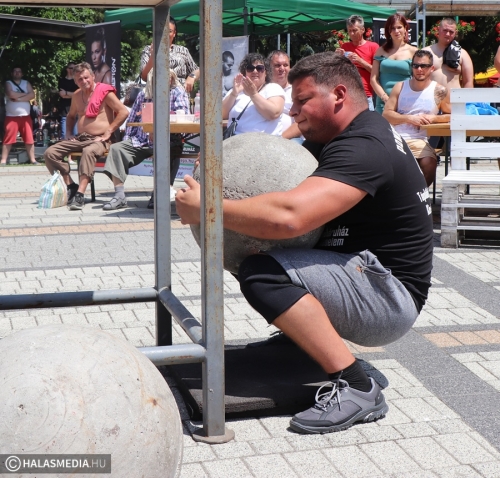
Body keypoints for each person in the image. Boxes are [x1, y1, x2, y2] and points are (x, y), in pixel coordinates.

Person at [176, 52, 433, 435]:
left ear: (339, 95)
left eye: (302, 100)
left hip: (389, 298)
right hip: (364, 272)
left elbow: (290, 216)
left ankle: (358, 387)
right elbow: (275, 172)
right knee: (262, 246)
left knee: (263, 272)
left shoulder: (365, 144)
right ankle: (301, 342)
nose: (293, 110)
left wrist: (208, 208)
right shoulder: (343, 136)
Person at [43, 62, 129, 210]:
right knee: (50, 153)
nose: (83, 81)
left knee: (88, 151)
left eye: (86, 77)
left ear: (93, 76)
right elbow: (70, 116)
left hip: (101, 139)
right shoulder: (77, 95)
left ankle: (80, 195)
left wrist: (108, 131)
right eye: (80, 79)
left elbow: (124, 112)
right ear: (75, 81)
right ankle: (71, 186)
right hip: (80, 137)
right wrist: (68, 133)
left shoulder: (105, 92)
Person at [102, 71, 190, 210]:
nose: (165, 80)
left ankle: (159, 194)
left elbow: (182, 117)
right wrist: (128, 140)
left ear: (172, 78)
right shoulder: (144, 94)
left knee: (166, 152)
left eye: (168, 77)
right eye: (160, 77)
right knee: (116, 149)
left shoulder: (177, 92)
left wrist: (158, 129)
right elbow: (132, 120)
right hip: (141, 140)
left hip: (167, 140)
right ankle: (119, 196)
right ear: (152, 79)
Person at [383, 50, 451, 186]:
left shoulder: (439, 90)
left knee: (429, 163)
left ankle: (419, 195)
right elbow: (386, 114)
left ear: (432, 68)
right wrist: (409, 118)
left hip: (419, 140)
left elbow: (451, 115)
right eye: (416, 66)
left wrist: (433, 118)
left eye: (424, 66)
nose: (419, 69)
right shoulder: (400, 86)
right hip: (395, 137)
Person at [222, 53, 285, 136]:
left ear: (266, 73)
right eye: (250, 68)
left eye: (260, 68)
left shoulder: (273, 88)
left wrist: (254, 94)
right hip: (235, 140)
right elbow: (221, 115)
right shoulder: (236, 90)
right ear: (245, 72)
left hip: (264, 141)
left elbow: (274, 113)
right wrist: (234, 93)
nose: (255, 71)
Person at [370, 14, 417, 113]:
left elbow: (418, 79)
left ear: (405, 28)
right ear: (388, 31)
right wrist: (385, 98)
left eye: (399, 27)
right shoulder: (380, 51)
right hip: (382, 104)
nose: (396, 31)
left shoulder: (414, 51)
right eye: (393, 28)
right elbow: (373, 79)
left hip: (405, 103)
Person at [141, 17, 200, 94]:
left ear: (174, 33)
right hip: (157, 95)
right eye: (162, 31)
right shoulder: (148, 49)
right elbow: (144, 77)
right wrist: (153, 56)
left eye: (169, 31)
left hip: (180, 97)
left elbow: (197, 70)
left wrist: (191, 77)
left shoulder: (183, 51)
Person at [336, 15, 379, 111]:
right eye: (349, 31)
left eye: (354, 30)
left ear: (362, 30)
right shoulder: (345, 46)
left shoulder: (373, 46)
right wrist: (337, 57)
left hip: (365, 94)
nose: (351, 33)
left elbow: (377, 72)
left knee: (367, 119)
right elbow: (338, 70)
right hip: (348, 94)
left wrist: (360, 61)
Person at [0, 66, 39, 166]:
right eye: (15, 71)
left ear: (22, 74)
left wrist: (19, 98)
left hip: (25, 116)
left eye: (19, 71)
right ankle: (3, 160)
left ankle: (33, 160)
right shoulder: (8, 83)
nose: (17, 73)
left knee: (29, 139)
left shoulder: (26, 83)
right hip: (11, 117)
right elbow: (10, 94)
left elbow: (32, 95)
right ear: (12, 73)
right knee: (8, 138)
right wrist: (26, 94)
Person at [424, 18, 474, 89]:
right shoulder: (426, 52)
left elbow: (468, 82)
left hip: (454, 95)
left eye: (451, 32)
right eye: (445, 30)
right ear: (438, 29)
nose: (447, 34)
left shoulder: (463, 54)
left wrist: (466, 96)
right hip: (431, 95)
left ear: (455, 33)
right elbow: (417, 78)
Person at [58, 62, 79, 139]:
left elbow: (78, 95)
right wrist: (72, 95)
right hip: (65, 111)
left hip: (76, 112)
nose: (74, 70)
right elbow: (62, 95)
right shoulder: (61, 80)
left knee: (76, 136)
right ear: (67, 69)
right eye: (72, 68)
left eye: (75, 68)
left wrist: (66, 93)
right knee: (65, 136)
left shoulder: (77, 81)